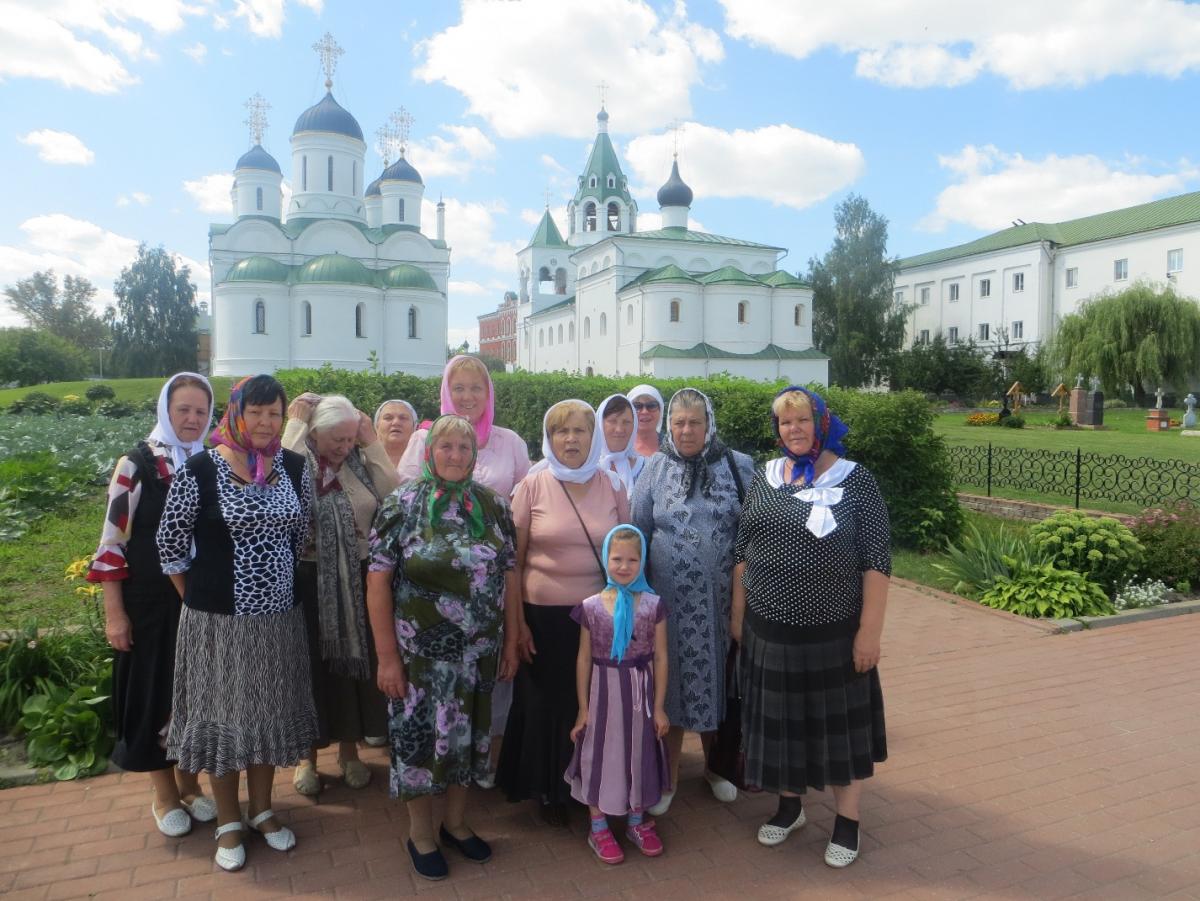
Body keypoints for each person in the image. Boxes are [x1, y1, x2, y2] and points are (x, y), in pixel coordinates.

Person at [156, 374, 316, 872]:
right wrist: (200, 602)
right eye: (257, 412)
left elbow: (301, 529)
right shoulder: (202, 470)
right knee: (224, 719)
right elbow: (169, 546)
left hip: (277, 620)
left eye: (275, 413)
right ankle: (228, 820)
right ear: (237, 413)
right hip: (216, 624)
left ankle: (262, 809)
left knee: (266, 715)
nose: (266, 423)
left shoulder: (293, 466)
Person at [731, 386, 890, 868]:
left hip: (833, 634)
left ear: (821, 424)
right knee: (780, 728)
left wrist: (869, 634)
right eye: (784, 423)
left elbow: (877, 563)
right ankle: (789, 807)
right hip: (769, 630)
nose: (793, 430)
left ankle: (847, 822)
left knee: (838, 731)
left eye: (801, 420)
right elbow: (743, 552)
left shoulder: (855, 480)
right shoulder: (765, 475)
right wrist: (739, 618)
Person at [365, 415, 517, 881]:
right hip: (420, 659)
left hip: (477, 654)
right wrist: (387, 657)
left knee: (468, 739)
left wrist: (511, 640)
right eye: (445, 446)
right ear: (430, 451)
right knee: (418, 742)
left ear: (475, 456)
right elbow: (377, 582)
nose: (455, 455)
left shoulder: (492, 505)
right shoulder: (403, 504)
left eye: (464, 448)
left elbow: (509, 574)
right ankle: (421, 833)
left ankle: (455, 822)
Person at [87, 372, 217, 837]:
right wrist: (114, 612)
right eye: (183, 409)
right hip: (149, 603)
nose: (191, 418)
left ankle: (191, 784)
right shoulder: (136, 465)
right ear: (166, 409)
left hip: (197, 601)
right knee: (154, 693)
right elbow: (111, 542)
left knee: (193, 695)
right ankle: (164, 795)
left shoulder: (210, 461)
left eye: (200, 411)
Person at [396, 355, 530, 785]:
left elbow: (524, 505)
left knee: (488, 685)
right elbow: (408, 507)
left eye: (477, 388)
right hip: (430, 601)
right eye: (460, 388)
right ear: (445, 392)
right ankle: (428, 786)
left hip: (490, 589)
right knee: (431, 699)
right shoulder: (424, 441)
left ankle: (485, 764)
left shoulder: (509, 442)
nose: (468, 396)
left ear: (489, 393)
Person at [496, 399, 629, 826]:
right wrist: (516, 628)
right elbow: (512, 564)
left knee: (589, 703)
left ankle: (586, 785)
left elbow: (627, 553)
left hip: (596, 618)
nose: (570, 439)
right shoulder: (532, 485)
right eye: (561, 431)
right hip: (541, 617)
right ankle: (547, 789)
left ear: (594, 438)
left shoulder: (612, 486)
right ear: (549, 438)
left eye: (579, 431)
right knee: (544, 704)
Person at [631, 387, 754, 815]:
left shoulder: (738, 466)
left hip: (724, 606)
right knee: (673, 685)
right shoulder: (655, 467)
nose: (686, 430)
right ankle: (668, 777)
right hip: (671, 607)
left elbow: (752, 536)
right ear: (669, 424)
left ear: (709, 424)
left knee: (721, 685)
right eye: (679, 422)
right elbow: (638, 531)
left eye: (695, 422)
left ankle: (717, 769)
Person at [283, 393, 400, 796]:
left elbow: (393, 493)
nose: (343, 447)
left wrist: (371, 442)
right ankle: (307, 758)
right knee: (312, 669)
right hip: (309, 580)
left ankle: (349, 752)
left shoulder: (358, 464)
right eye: (337, 439)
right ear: (314, 434)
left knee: (354, 666)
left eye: (350, 438)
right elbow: (279, 486)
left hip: (359, 578)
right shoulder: (300, 464)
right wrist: (294, 428)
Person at [566, 525, 670, 865]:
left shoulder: (653, 605)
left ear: (642, 562)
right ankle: (598, 826)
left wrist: (659, 707)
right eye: (617, 559)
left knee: (638, 751)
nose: (624, 566)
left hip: (640, 693)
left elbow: (661, 656)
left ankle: (636, 821)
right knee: (602, 752)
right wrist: (583, 708)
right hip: (603, 693)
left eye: (632, 560)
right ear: (605, 559)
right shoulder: (591, 606)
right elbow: (583, 657)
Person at [597, 394, 642, 497]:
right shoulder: (586, 468)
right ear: (600, 423)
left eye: (626, 422)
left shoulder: (646, 468)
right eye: (612, 421)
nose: (619, 429)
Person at [374, 399, 419, 468]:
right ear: (377, 426)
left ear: (414, 427)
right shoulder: (362, 460)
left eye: (403, 418)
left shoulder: (427, 462)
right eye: (388, 418)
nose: (396, 422)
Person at [626, 384, 664, 459]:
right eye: (637, 406)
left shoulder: (672, 448)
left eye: (652, 405)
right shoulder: (618, 446)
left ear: (661, 411)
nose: (644, 412)